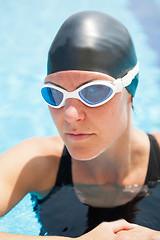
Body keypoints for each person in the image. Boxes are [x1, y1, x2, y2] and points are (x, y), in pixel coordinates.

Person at [0, 11, 160, 240]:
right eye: (55, 94)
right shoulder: (37, 162)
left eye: (94, 91)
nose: (70, 114)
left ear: (130, 92)